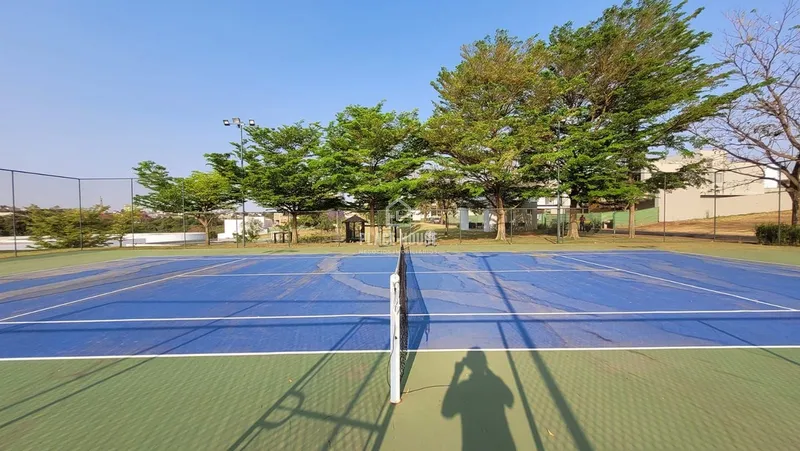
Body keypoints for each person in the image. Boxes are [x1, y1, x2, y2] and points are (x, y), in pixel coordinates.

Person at [442, 348, 515, 450]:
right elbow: (510, 400)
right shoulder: (495, 383)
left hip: (473, 445)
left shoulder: (464, 387)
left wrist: (456, 375)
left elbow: (447, 412)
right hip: (502, 445)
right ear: (484, 362)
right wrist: (487, 369)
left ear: (468, 364)